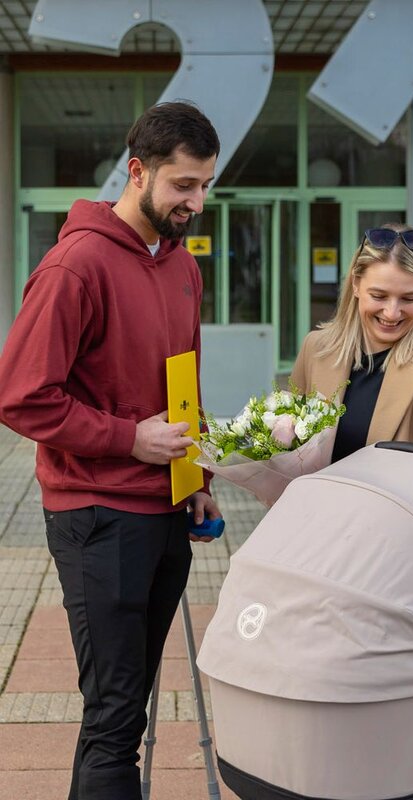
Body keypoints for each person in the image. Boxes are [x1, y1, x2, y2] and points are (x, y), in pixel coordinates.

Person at [0, 101, 223, 800]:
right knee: (115, 716)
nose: (196, 201)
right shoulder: (76, 265)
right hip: (98, 518)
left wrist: (196, 477)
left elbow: (181, 382)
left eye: (206, 185)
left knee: (126, 712)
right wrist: (129, 437)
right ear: (137, 172)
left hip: (166, 511)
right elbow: (21, 396)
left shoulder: (182, 266)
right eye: (183, 185)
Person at [291, 223, 413, 475]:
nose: (392, 313)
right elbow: (287, 446)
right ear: (356, 285)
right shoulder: (316, 348)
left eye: (408, 298)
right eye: (379, 296)